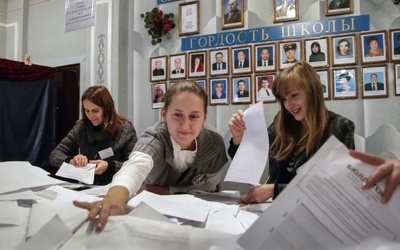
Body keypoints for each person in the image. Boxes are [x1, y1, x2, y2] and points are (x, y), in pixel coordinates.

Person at [74, 80, 228, 231]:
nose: (185, 125)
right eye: (177, 115)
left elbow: (209, 184)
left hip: (197, 217)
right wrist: (115, 197)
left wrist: (167, 190)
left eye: (194, 116)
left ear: (204, 117)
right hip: (154, 215)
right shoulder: (155, 138)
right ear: (164, 114)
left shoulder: (214, 143)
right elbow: (136, 166)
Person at [228, 61, 355, 204]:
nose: (288, 105)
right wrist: (239, 138)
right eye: (283, 99)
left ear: (313, 92)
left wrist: (274, 190)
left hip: (314, 212)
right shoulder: (281, 124)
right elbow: (250, 161)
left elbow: (339, 187)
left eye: (294, 96)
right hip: (275, 210)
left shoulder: (339, 127)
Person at [49, 86, 138, 185]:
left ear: (107, 108)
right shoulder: (81, 128)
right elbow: (55, 155)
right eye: (87, 111)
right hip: (86, 188)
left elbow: (135, 165)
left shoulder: (125, 129)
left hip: (116, 187)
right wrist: (72, 161)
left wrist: (110, 166)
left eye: (95, 111)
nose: (91, 116)